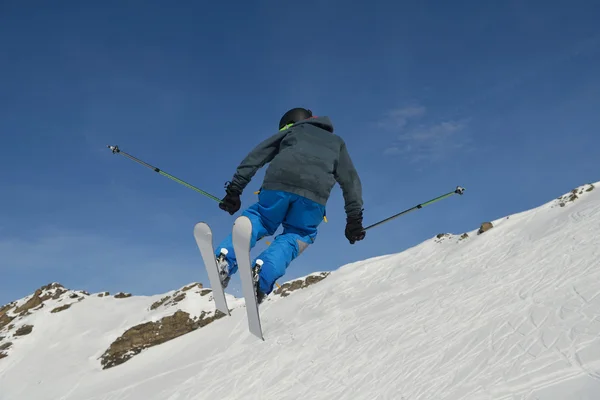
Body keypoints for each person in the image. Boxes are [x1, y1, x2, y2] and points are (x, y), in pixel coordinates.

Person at [214, 107, 365, 303]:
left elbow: (256, 156)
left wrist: (234, 190)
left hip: (278, 185)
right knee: (299, 233)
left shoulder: (292, 131)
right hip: (314, 198)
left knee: (261, 218)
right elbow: (350, 180)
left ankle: (226, 258)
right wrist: (354, 218)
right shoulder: (337, 143)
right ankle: (263, 275)